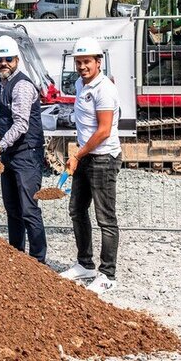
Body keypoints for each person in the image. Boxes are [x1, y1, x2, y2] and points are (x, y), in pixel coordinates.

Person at [59, 36, 122, 294]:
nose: (82, 66)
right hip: (86, 156)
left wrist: (77, 153)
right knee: (77, 210)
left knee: (105, 218)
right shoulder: (79, 84)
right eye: (78, 62)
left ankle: (107, 274)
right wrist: (80, 154)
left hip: (103, 157)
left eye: (87, 61)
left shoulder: (104, 89)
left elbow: (104, 130)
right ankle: (85, 263)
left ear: (98, 62)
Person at [0, 35, 47, 263]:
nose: (4, 63)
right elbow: (12, 117)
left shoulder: (21, 85)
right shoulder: (1, 84)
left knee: (29, 209)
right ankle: (16, 256)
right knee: (12, 208)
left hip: (27, 154)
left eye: (8, 58)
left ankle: (38, 261)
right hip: (11, 154)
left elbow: (21, 124)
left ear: (17, 60)